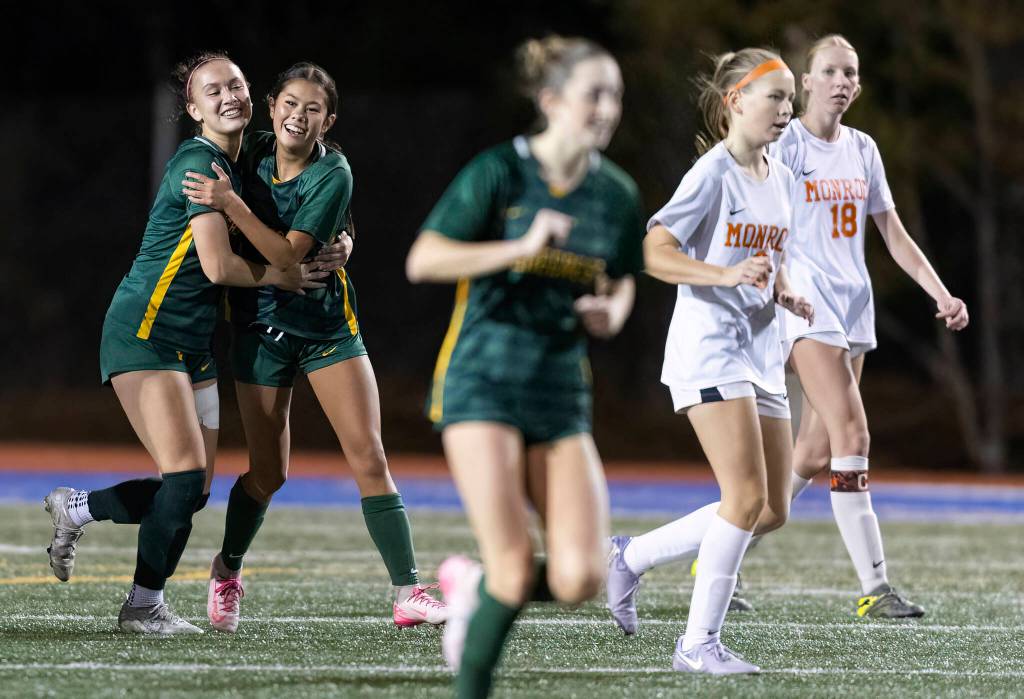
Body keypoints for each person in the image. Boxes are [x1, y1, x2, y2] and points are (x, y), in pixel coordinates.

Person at [609, 35, 971, 624]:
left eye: (850, 71)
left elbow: (874, 234)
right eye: (824, 72)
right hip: (751, 333)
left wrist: (937, 291)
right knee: (839, 443)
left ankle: (652, 553)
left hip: (806, 323)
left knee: (786, 487)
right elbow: (656, 250)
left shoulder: (821, 161)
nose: (839, 82)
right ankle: (862, 590)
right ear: (787, 87)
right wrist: (734, 276)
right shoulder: (747, 160)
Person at [42, 52, 320, 634]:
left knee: (187, 495)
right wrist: (280, 274)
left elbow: (323, 174)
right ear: (193, 109)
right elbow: (218, 266)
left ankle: (78, 507)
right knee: (187, 478)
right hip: (145, 330)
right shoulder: (201, 163)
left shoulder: (253, 158)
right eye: (212, 90)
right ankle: (142, 607)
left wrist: (342, 235)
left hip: (193, 344)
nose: (228, 95)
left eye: (237, 84)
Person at [405, 35, 643, 698]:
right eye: (594, 92)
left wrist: (614, 311)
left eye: (616, 94)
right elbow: (424, 260)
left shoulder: (616, 194)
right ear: (550, 100)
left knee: (579, 578)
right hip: (482, 381)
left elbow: (623, 277)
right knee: (515, 567)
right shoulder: (499, 172)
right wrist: (516, 247)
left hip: (559, 391)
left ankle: (473, 586)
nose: (608, 107)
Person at [182, 61, 446, 634]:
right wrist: (344, 234)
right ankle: (226, 568)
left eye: (313, 109)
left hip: (327, 329)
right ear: (271, 105)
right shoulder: (244, 152)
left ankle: (408, 591)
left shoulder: (334, 172)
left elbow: (287, 258)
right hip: (259, 332)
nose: (298, 116)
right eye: (290, 104)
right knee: (268, 473)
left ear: (328, 121)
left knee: (369, 456)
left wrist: (236, 207)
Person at [607, 48, 814, 674]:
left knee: (770, 509)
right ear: (735, 102)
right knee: (744, 496)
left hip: (759, 352)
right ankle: (697, 644)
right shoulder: (712, 173)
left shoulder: (778, 174)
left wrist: (778, 289)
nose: (787, 108)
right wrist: (726, 275)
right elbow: (654, 251)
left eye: (789, 97)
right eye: (774, 96)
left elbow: (759, 257)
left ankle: (630, 557)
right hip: (710, 350)